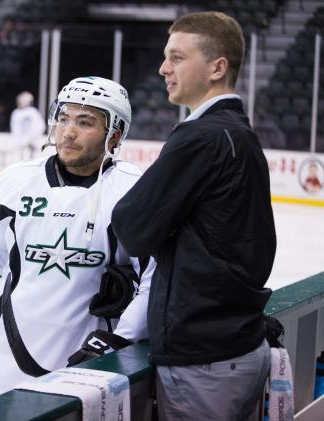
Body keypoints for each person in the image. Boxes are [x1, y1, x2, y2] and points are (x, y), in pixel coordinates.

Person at [0, 76, 155, 404]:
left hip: (85, 378)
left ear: (116, 133)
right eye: (64, 118)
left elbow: (155, 277)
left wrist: (119, 340)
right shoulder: (18, 180)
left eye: (85, 122)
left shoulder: (133, 191)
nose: (68, 131)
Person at [111, 12, 276, 421]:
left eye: (177, 57)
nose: (163, 68)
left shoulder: (200, 136)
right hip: (240, 348)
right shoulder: (239, 133)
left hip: (203, 362)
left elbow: (131, 227)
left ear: (217, 68)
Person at [9, 91, 45, 159]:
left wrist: (31, 138)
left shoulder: (33, 112)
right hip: (20, 144)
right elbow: (15, 129)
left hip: (32, 143)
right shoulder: (16, 113)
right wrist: (19, 141)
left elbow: (40, 127)